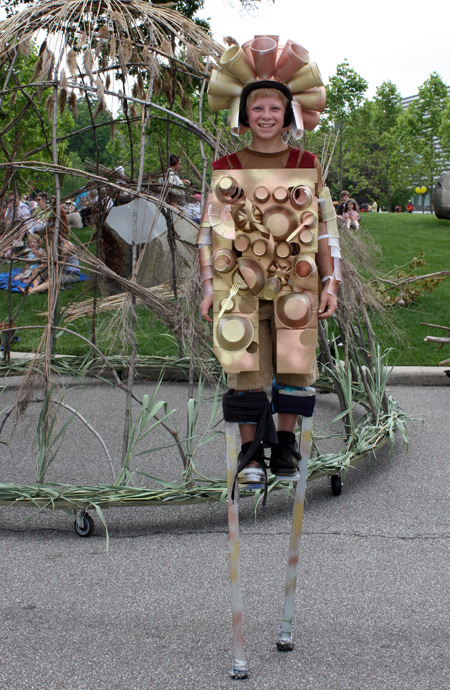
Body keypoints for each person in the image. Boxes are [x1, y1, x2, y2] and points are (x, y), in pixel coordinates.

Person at [198, 37, 341, 486]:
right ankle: (250, 452)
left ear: (288, 114)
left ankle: (284, 447)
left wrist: (331, 281)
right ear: (244, 113)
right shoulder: (227, 164)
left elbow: (323, 228)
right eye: (257, 107)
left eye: (273, 108)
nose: (265, 116)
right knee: (243, 366)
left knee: (295, 364)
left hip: (297, 283)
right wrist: (207, 285)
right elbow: (211, 230)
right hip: (238, 283)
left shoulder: (306, 162)